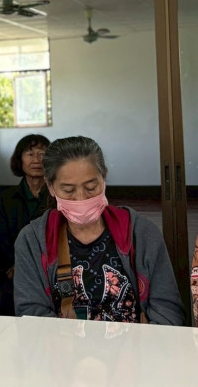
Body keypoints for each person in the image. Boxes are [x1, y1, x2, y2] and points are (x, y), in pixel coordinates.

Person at [14, 136, 184, 324]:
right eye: (68, 190)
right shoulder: (32, 241)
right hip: (61, 343)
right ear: (51, 187)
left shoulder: (142, 233)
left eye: (91, 187)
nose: (81, 198)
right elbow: (31, 314)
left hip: (137, 343)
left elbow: (168, 311)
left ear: (104, 178)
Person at [0, 134, 51, 315]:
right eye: (30, 154)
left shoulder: (58, 197)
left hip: (50, 269)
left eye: (42, 154)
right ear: (20, 160)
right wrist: (15, 265)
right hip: (14, 270)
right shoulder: (5, 199)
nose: (36, 160)